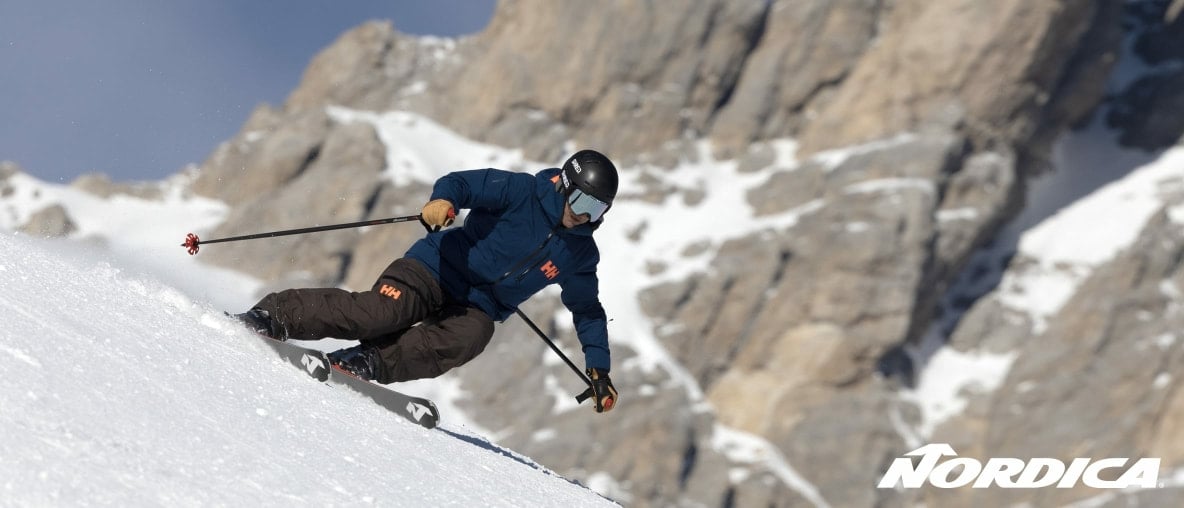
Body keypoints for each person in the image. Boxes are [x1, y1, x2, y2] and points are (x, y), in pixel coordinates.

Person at [235, 149, 620, 413]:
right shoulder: (521, 191)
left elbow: (587, 310)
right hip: (436, 267)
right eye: (582, 202)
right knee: (383, 313)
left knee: (473, 335)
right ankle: (276, 314)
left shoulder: (580, 253)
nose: (585, 216)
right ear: (563, 185)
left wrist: (599, 368)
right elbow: (461, 183)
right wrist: (443, 202)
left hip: (477, 305)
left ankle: (366, 362)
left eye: (598, 209)